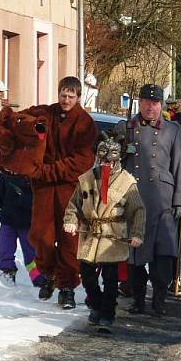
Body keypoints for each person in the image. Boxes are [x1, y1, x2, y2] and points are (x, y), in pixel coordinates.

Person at [22, 76, 97, 309]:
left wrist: (49, 170)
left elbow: (82, 161)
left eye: (71, 96)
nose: (66, 100)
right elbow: (24, 119)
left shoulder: (85, 123)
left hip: (69, 189)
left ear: (78, 97)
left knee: (69, 239)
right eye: (63, 95)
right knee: (40, 236)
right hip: (44, 188)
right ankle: (49, 273)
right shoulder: (48, 113)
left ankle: (67, 287)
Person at [116, 84, 181, 317]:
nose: (150, 107)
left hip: (163, 201)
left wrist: (179, 201)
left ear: (161, 105)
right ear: (139, 103)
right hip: (134, 197)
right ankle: (138, 299)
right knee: (135, 254)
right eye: (146, 102)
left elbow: (179, 167)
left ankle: (159, 298)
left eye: (155, 103)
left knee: (163, 254)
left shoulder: (173, 130)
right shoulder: (126, 127)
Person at [63, 132, 146, 331]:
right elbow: (74, 204)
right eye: (103, 159)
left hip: (113, 234)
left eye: (111, 159)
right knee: (87, 276)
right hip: (90, 232)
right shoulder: (86, 179)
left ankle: (107, 313)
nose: (106, 163)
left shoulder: (127, 182)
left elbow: (138, 210)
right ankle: (97, 304)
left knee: (111, 278)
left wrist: (137, 234)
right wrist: (71, 220)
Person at [0, 172, 44, 286]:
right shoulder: (6, 175)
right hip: (8, 221)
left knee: (31, 254)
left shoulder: (34, 175)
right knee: (4, 248)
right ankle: (8, 271)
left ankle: (39, 280)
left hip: (27, 223)